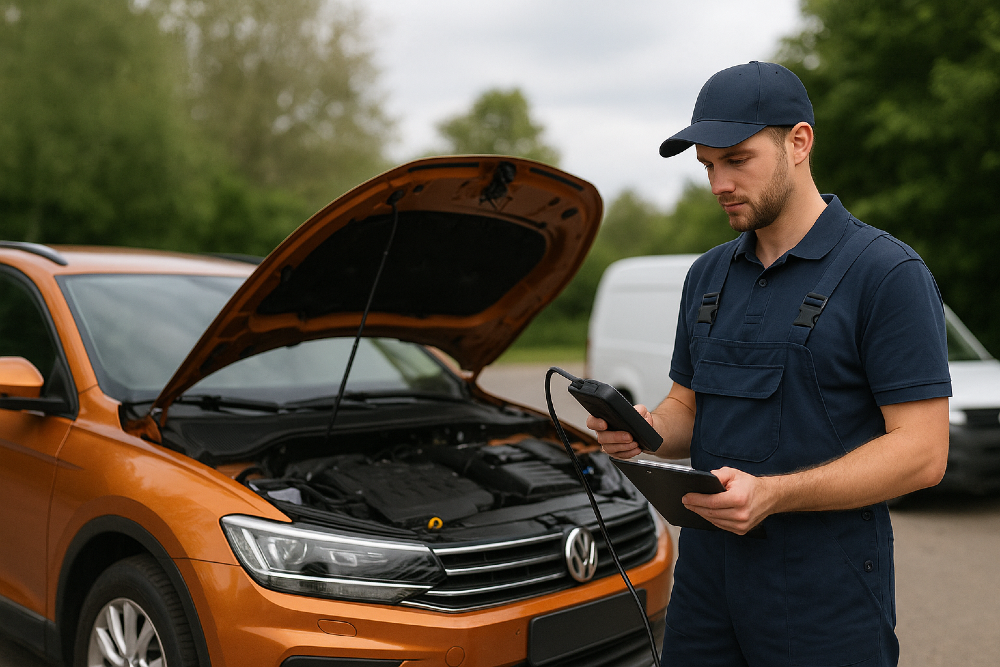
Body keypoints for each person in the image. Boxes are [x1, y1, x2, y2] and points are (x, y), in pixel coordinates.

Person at [589, 61, 950, 667]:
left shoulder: (886, 274)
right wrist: (643, 431)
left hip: (826, 589)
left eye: (736, 159)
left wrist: (774, 495)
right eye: (707, 165)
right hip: (707, 580)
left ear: (799, 142)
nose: (718, 183)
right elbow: (687, 408)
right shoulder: (707, 276)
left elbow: (923, 451)